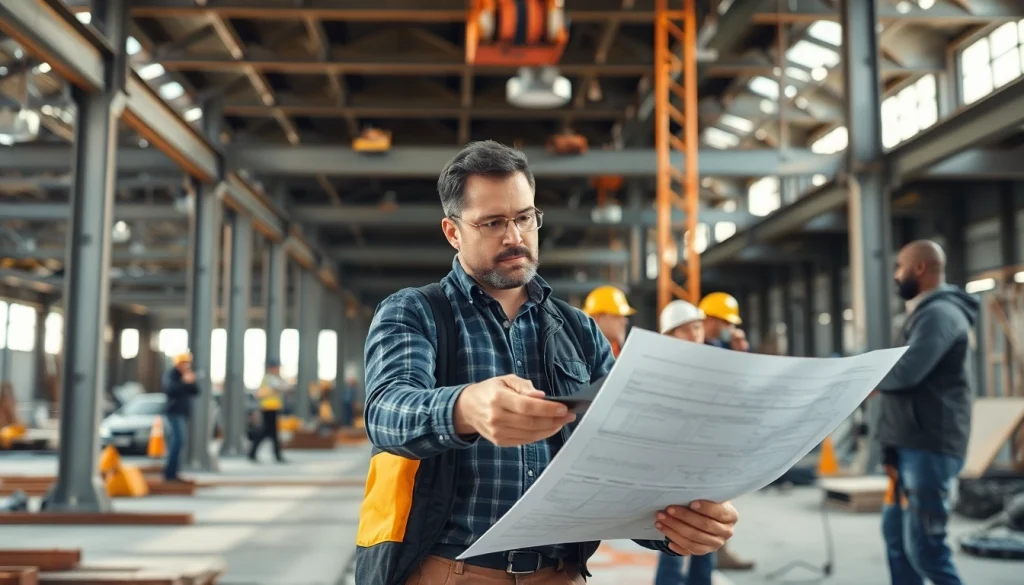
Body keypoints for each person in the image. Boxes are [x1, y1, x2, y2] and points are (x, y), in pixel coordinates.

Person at [357, 140, 738, 585]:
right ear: (453, 232)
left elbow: (619, 455)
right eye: (493, 222)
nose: (514, 236)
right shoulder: (415, 312)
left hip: (560, 575)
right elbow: (386, 412)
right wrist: (464, 408)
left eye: (524, 218)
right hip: (452, 573)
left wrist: (677, 524)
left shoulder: (579, 330)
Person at [875, 240, 978, 585]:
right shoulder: (924, 312)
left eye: (899, 267)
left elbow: (908, 371)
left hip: (928, 448)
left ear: (919, 268)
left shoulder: (940, 313)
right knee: (897, 543)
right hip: (907, 445)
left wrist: (859, 380)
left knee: (925, 549)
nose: (895, 276)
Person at [653, 300, 715, 585]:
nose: (695, 336)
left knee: (706, 533)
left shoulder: (711, 367)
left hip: (707, 461)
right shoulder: (660, 371)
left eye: (698, 328)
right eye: (687, 330)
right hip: (673, 464)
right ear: (669, 336)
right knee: (674, 534)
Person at [696, 292, 756, 571]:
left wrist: (740, 352)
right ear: (710, 320)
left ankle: (716, 555)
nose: (728, 328)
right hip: (701, 439)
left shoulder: (720, 347)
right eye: (724, 322)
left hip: (718, 437)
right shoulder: (700, 349)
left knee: (716, 503)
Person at [161, 351, 198, 482]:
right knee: (177, 441)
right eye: (184, 363)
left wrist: (191, 381)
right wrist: (183, 382)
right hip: (173, 412)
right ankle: (169, 474)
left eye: (187, 363)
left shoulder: (186, 375)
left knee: (179, 442)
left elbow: (195, 391)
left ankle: (174, 473)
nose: (186, 365)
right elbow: (170, 390)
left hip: (182, 413)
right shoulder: (171, 374)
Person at [248, 357, 287, 463]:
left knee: (270, 433)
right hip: (269, 408)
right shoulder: (271, 379)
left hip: (272, 408)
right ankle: (275, 455)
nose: (278, 369)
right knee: (268, 432)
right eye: (277, 367)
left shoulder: (271, 378)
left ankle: (255, 453)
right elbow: (280, 387)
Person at [582, 285, 635, 357]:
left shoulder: (618, 351)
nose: (624, 321)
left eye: (623, 316)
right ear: (597, 317)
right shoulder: (581, 353)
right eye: (616, 316)